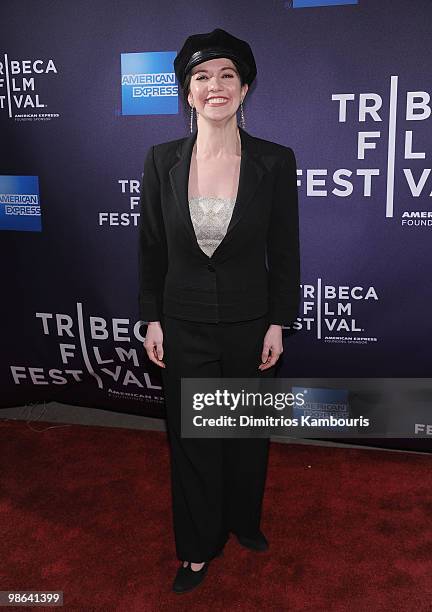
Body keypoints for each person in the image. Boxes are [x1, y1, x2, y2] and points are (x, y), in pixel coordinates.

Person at [138, 27, 300, 594]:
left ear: (245, 88)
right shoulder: (160, 162)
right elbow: (152, 247)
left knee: (246, 433)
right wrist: (153, 317)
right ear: (187, 92)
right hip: (183, 324)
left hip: (251, 322)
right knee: (194, 439)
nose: (215, 86)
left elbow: (284, 250)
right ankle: (198, 547)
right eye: (202, 77)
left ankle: (242, 522)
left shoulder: (275, 162)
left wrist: (278, 321)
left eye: (227, 75)